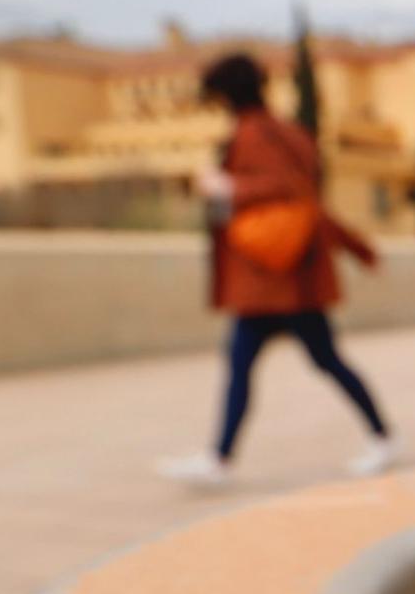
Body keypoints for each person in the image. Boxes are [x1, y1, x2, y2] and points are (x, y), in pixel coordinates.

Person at [157, 53, 395, 488]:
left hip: (277, 277)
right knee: (253, 363)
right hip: (283, 278)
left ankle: (381, 436)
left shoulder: (256, 134)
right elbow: (310, 202)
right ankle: (221, 457)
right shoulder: (291, 133)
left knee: (318, 362)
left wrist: (226, 186)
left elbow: (287, 190)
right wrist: (359, 249)